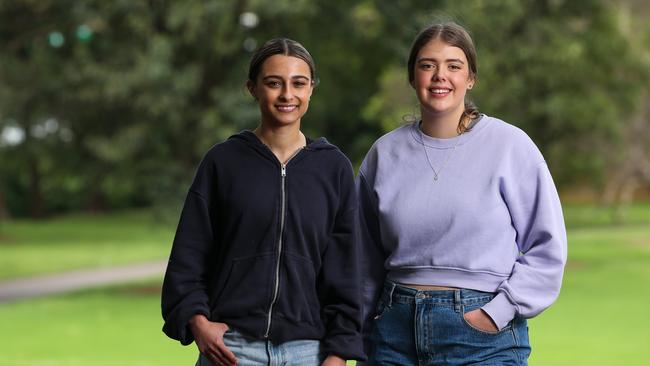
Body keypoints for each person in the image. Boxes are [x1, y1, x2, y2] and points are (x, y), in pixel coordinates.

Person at [357, 22, 567, 365]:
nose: (440, 75)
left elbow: (548, 248)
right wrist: (361, 338)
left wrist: (499, 311)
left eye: (454, 66)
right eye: (428, 65)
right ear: (413, 77)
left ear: (470, 78)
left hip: (482, 336)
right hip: (393, 335)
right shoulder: (384, 154)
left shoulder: (510, 147)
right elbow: (363, 262)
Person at [161, 38, 364, 366]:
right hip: (232, 349)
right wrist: (198, 323)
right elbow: (188, 257)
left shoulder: (333, 168)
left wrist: (339, 354)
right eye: (274, 83)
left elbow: (345, 270)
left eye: (298, 83)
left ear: (311, 89)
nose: (287, 94)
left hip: (308, 353)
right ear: (252, 88)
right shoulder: (222, 162)